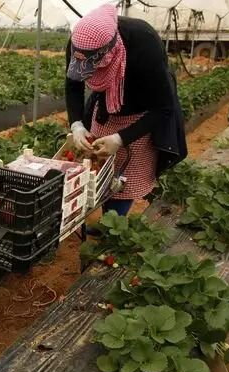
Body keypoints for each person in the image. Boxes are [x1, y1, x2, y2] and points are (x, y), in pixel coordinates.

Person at [65, 4, 187, 219]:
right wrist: (76, 124)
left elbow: (163, 107)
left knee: (126, 178)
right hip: (106, 108)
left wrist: (122, 138)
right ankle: (106, 222)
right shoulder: (79, 45)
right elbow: (73, 85)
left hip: (142, 112)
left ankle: (114, 226)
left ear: (110, 52)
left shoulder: (144, 43)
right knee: (98, 169)